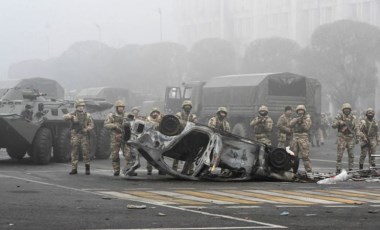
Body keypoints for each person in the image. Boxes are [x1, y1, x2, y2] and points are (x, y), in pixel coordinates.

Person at [63, 99, 94, 175]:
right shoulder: (73, 114)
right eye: (79, 106)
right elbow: (64, 117)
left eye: (82, 106)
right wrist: (72, 117)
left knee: (86, 152)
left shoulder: (87, 115)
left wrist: (87, 129)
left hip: (84, 135)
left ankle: (87, 168)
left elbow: (91, 125)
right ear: (76, 106)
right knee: (74, 152)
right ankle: (74, 169)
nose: (81, 107)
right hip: (75, 134)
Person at [104, 100, 133, 176]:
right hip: (115, 137)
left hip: (125, 137)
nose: (121, 109)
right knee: (115, 155)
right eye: (119, 107)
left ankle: (129, 170)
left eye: (122, 107)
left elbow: (133, 123)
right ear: (116, 108)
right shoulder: (111, 115)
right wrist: (115, 126)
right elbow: (106, 125)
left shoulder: (126, 115)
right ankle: (116, 170)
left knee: (128, 154)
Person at [331, 103, 362, 174]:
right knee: (340, 155)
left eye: (348, 109)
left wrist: (357, 137)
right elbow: (333, 125)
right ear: (343, 110)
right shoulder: (339, 117)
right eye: (345, 109)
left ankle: (351, 169)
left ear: (350, 110)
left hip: (350, 137)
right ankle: (338, 169)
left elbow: (357, 128)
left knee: (351, 155)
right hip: (342, 137)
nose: (347, 110)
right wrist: (339, 122)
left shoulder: (353, 118)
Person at [172, 100, 198, 172]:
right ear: (183, 107)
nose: (187, 108)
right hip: (180, 136)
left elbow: (196, 124)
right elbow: (175, 122)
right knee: (177, 152)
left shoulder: (193, 116)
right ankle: (174, 168)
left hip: (190, 137)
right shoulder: (178, 115)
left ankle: (190, 169)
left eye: (189, 107)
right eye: (186, 107)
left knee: (191, 153)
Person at [289, 105, 312, 173]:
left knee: (305, 156)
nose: (300, 112)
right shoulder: (295, 118)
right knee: (293, 155)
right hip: (295, 137)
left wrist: (302, 122)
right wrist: (297, 120)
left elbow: (306, 128)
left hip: (303, 137)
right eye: (299, 110)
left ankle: (308, 171)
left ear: (304, 111)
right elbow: (290, 124)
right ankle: (294, 170)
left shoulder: (307, 119)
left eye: (301, 110)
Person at [145, 107, 166, 175]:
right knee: (149, 154)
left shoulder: (161, 119)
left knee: (160, 154)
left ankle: (161, 169)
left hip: (159, 138)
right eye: (154, 112)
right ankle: (149, 169)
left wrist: (160, 118)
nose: (155, 113)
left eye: (157, 112)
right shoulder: (148, 119)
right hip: (151, 138)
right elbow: (148, 126)